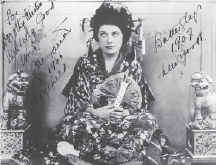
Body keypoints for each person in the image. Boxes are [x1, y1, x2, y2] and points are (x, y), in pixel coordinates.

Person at [9, 1, 182, 165]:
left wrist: (123, 113)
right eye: (103, 34)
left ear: (124, 38)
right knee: (74, 123)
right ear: (97, 37)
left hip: (122, 121)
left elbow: (140, 105)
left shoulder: (132, 65)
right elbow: (75, 103)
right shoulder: (85, 63)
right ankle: (121, 154)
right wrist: (97, 113)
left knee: (148, 121)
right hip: (92, 120)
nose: (109, 40)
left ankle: (85, 153)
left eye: (115, 34)